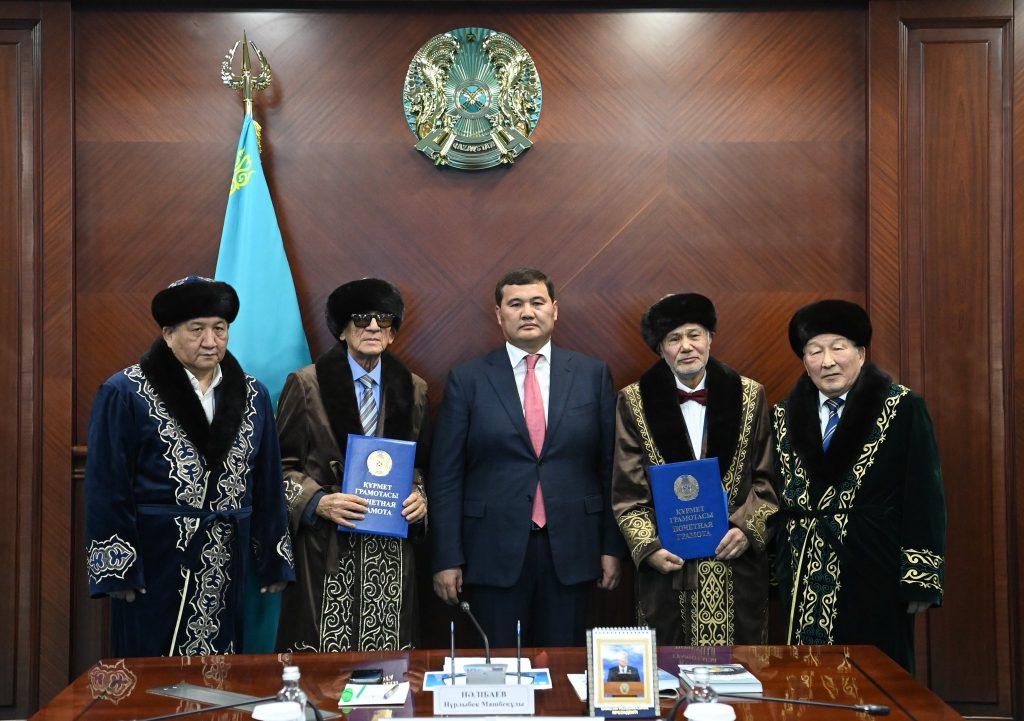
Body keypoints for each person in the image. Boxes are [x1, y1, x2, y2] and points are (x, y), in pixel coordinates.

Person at [84, 276, 295, 657]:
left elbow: (268, 481)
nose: (211, 341)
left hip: (226, 557)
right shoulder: (125, 391)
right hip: (155, 560)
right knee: (151, 668)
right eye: (197, 330)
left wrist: (274, 558)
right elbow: (106, 486)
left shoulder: (253, 394)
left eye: (220, 329)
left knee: (223, 666)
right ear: (168, 334)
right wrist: (118, 570)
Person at [429, 267, 626, 647]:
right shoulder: (468, 379)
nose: (527, 312)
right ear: (499, 314)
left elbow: (611, 467)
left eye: (537, 302)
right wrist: (446, 557)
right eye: (515, 304)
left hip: (573, 547)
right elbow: (446, 476)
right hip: (491, 550)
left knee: (565, 663)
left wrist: (611, 547)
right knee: (499, 666)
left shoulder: (592, 374)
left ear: (555, 309)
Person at [772, 299, 946, 672]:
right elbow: (773, 498)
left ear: (861, 353)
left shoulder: (902, 408)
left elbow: (925, 496)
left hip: (873, 569)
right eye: (814, 351)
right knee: (804, 680)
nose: (827, 361)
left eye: (838, 348)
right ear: (804, 360)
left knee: (875, 677)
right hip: (802, 572)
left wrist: (920, 578)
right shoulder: (783, 416)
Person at [612, 293, 778, 646]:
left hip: (736, 568)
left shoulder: (750, 395)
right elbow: (627, 492)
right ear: (660, 348)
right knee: (667, 673)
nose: (686, 346)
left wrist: (746, 530)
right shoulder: (633, 401)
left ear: (710, 339)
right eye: (674, 338)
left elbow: (768, 482)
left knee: (740, 672)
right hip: (668, 573)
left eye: (694, 335)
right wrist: (649, 548)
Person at [275, 278, 429, 652]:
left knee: (387, 669)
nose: (373, 327)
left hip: (389, 552)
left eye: (383, 319)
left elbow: (421, 466)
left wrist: (419, 497)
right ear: (342, 330)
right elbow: (278, 467)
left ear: (392, 333)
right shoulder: (306, 384)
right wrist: (317, 502)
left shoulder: (414, 388)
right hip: (326, 546)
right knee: (322, 666)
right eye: (361, 319)